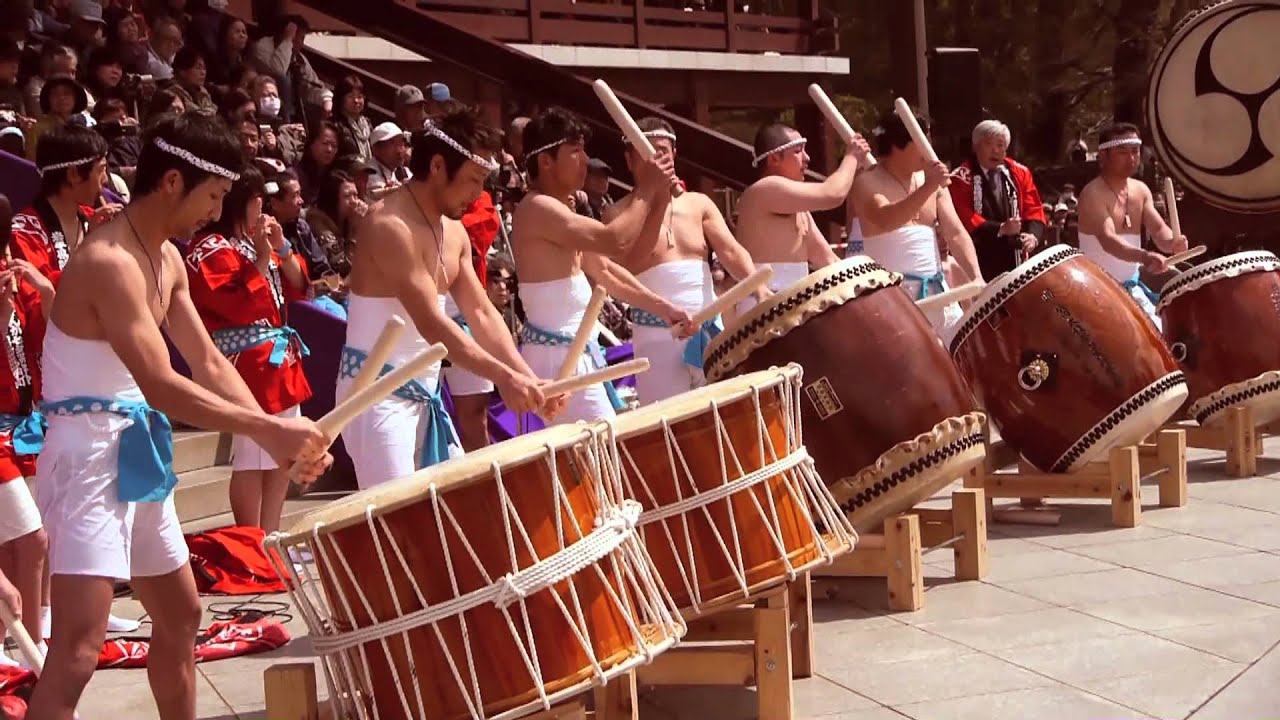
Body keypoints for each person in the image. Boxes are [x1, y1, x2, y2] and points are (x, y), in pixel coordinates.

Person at [23, 110, 331, 720]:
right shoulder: (109, 260)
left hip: (135, 453)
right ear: (171, 183)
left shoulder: (164, 259)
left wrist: (276, 441)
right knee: (80, 648)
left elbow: (210, 362)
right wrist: (271, 429)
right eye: (213, 195)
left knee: (181, 616)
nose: (215, 212)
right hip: (87, 457)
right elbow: (162, 383)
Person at [340, 104, 557, 489]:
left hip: (425, 390)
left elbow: (481, 312)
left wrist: (527, 378)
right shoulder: (389, 225)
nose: (478, 194)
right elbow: (431, 322)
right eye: (473, 180)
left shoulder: (454, 232)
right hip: (375, 396)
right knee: (397, 521)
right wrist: (504, 376)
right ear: (438, 166)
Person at [511, 106, 682, 424]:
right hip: (556, 360)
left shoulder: (562, 207)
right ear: (546, 162)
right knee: (601, 454)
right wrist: (646, 187)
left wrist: (663, 307)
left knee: (602, 457)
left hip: (575, 354)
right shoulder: (537, 208)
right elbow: (613, 240)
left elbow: (604, 269)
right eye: (574, 151)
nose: (585, 160)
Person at [184, 165, 312, 534]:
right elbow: (237, 304)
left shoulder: (252, 241)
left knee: (281, 456)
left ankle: (271, 537)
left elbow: (300, 284)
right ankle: (250, 539)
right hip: (246, 361)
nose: (264, 208)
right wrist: (259, 255)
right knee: (251, 458)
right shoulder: (209, 247)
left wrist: (281, 248)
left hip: (278, 356)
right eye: (259, 200)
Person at [607, 117, 763, 404]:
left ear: (674, 154)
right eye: (646, 152)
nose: (656, 159)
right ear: (630, 160)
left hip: (708, 327)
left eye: (662, 151)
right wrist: (657, 201)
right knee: (668, 421)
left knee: (723, 412)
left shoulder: (698, 204)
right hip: (656, 335)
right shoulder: (619, 216)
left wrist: (757, 286)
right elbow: (629, 265)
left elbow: (731, 251)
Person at [850, 107, 983, 335]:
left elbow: (956, 233)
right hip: (891, 300)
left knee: (961, 358)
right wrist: (929, 186)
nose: (928, 149)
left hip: (939, 294)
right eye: (920, 142)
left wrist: (976, 276)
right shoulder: (867, 182)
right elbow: (886, 219)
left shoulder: (930, 180)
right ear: (897, 145)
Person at [733, 120, 870, 315]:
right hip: (764, 306)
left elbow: (826, 259)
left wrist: (865, 283)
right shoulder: (764, 190)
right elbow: (833, 194)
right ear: (774, 159)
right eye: (798, 151)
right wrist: (851, 157)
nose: (807, 158)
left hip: (796, 306)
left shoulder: (798, 208)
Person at [1077, 122, 1187, 328]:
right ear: (1103, 156)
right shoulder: (1092, 194)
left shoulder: (1140, 190)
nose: (1132, 158)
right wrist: (1144, 257)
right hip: (1097, 291)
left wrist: (1173, 243)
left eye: (1135, 151)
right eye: (1123, 152)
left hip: (1131, 288)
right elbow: (1109, 241)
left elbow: (1158, 231)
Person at [11, 124, 115, 287]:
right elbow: (36, 302)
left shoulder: (95, 218)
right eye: (100, 170)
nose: (106, 180)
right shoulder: (24, 232)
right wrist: (89, 245)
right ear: (73, 174)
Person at [949, 119, 1047, 279]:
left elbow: (1034, 208)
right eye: (988, 144)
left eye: (1000, 145)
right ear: (975, 146)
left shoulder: (1019, 173)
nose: (995, 150)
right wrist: (1000, 228)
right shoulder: (961, 177)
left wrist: (1032, 236)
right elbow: (962, 215)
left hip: (1016, 258)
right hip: (980, 255)